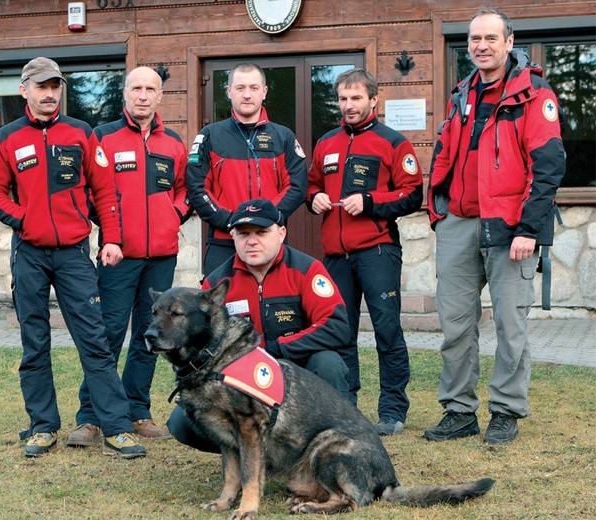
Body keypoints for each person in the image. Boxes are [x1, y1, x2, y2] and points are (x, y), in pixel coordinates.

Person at [0, 57, 146, 459]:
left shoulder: (81, 133)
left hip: (74, 254)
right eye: (42, 86)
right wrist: (24, 220)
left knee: (95, 341)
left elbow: (105, 192)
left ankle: (117, 428)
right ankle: (42, 426)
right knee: (34, 342)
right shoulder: (7, 137)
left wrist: (112, 238)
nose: (50, 94)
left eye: (55, 86)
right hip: (30, 255)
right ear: (25, 90)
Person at [424, 8, 566, 445]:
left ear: (509, 42)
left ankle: (505, 411)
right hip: (459, 223)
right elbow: (447, 153)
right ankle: (459, 410)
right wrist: (437, 211)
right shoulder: (461, 94)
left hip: (510, 227)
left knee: (510, 324)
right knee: (455, 325)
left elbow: (549, 166)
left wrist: (528, 228)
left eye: (490, 38)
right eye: (474, 39)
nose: (481, 45)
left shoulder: (533, 94)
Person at [66, 66, 192, 448]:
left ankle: (137, 410)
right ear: (124, 94)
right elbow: (87, 190)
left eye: (149, 89)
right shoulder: (102, 137)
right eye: (135, 88)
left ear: (159, 96)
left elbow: (185, 189)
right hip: (118, 256)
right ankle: (90, 417)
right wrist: (110, 229)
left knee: (150, 336)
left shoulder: (172, 142)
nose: (142, 95)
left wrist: (174, 216)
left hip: (161, 257)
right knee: (106, 335)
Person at [167, 198, 353, 452]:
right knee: (180, 422)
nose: (252, 241)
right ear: (232, 235)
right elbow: (201, 341)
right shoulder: (216, 283)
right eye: (243, 234)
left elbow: (336, 326)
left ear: (281, 232)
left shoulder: (308, 269)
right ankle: (251, 453)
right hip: (242, 380)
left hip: (298, 374)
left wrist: (277, 349)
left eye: (262, 232)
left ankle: (335, 447)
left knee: (328, 363)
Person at [307, 68, 423, 436]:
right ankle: (347, 407)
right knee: (341, 332)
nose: (349, 105)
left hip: (378, 252)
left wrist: (371, 201)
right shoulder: (325, 142)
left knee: (386, 331)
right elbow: (311, 186)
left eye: (356, 98)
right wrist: (315, 199)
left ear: (374, 99)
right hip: (335, 256)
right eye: (343, 98)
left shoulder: (393, 142)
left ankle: (392, 411)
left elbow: (413, 193)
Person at [186, 62, 307, 276]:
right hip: (224, 241)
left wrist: (267, 218)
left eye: (254, 88)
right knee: (219, 308)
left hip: (269, 241)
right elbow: (197, 188)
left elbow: (297, 186)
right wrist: (229, 221)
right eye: (240, 88)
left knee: (273, 305)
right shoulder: (210, 135)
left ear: (264, 92)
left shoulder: (284, 136)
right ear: (229, 91)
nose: (247, 95)